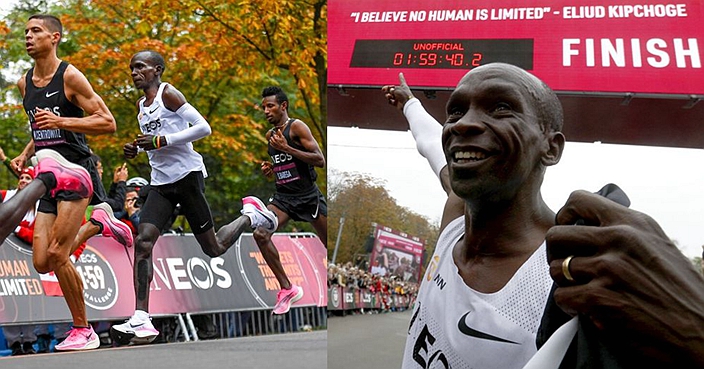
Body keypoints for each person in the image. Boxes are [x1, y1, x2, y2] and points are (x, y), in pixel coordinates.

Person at [395, 63, 564, 369]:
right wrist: (410, 104)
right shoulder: (455, 223)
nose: (462, 125)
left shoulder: (567, 279)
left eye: (501, 108)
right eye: (456, 111)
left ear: (550, 147)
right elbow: (431, 144)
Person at [112, 50, 278, 345]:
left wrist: (163, 140)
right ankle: (141, 318)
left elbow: (203, 128)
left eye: (140, 67)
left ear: (157, 70)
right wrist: (137, 149)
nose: (134, 72)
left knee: (214, 248)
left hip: (187, 178)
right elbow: (156, 142)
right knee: (143, 241)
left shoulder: (169, 94)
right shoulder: (141, 106)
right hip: (161, 183)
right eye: (131, 68)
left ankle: (250, 215)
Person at [0, 14, 133, 351]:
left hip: (76, 171)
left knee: (59, 253)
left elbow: (107, 122)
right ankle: (98, 224)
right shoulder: (24, 84)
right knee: (42, 261)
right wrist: (24, 151)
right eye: (26, 32)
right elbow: (40, 126)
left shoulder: (70, 76)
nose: (28, 37)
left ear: (55, 37)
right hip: (47, 172)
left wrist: (62, 119)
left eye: (36, 31)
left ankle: (83, 329)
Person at [255, 86, 327, 314]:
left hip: (308, 197)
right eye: (264, 107)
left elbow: (319, 159)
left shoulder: (297, 127)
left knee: (328, 242)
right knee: (260, 233)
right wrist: (272, 169)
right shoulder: (269, 136)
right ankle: (287, 288)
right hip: (283, 199)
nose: (266, 111)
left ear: (283, 106)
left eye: (270, 106)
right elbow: (286, 164)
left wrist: (287, 148)